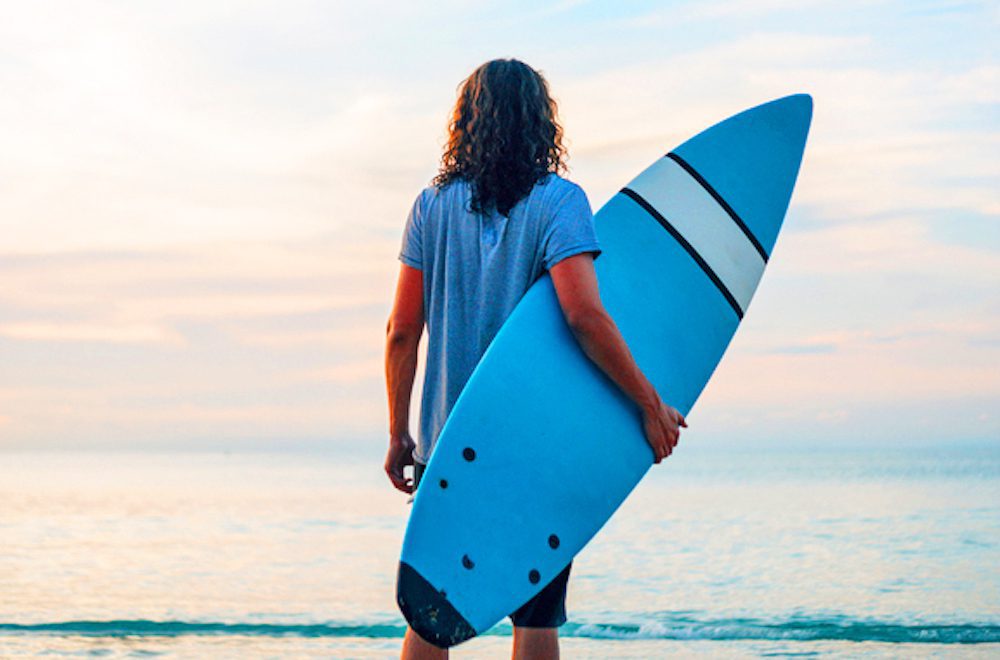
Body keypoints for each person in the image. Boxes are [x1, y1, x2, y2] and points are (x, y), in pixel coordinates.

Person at [384, 58, 686, 660]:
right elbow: (584, 316)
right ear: (541, 123)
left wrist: (400, 434)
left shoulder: (429, 206)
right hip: (535, 448)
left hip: (450, 441)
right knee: (536, 614)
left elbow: (401, 331)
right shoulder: (560, 202)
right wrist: (649, 403)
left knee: (431, 612)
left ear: (465, 122)